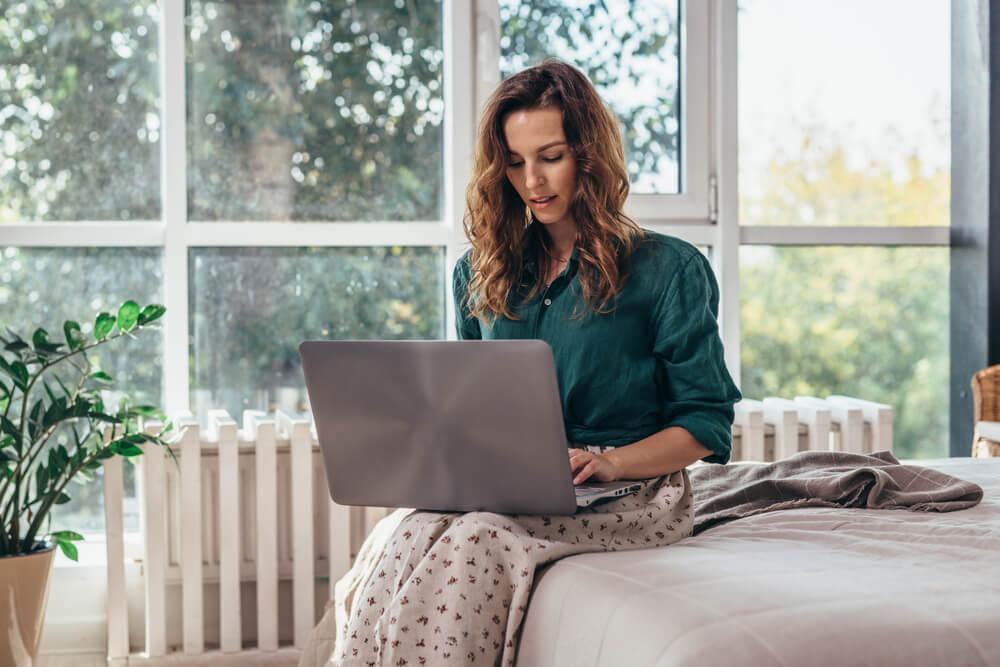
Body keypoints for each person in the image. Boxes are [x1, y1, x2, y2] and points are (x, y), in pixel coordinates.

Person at [299, 59, 741, 667]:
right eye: (514, 161)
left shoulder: (668, 269)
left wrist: (609, 462)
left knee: (478, 540)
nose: (532, 180)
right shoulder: (477, 273)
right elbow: (466, 409)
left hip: (634, 492)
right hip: (509, 487)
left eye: (551, 156)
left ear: (589, 155)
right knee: (405, 532)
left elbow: (706, 424)